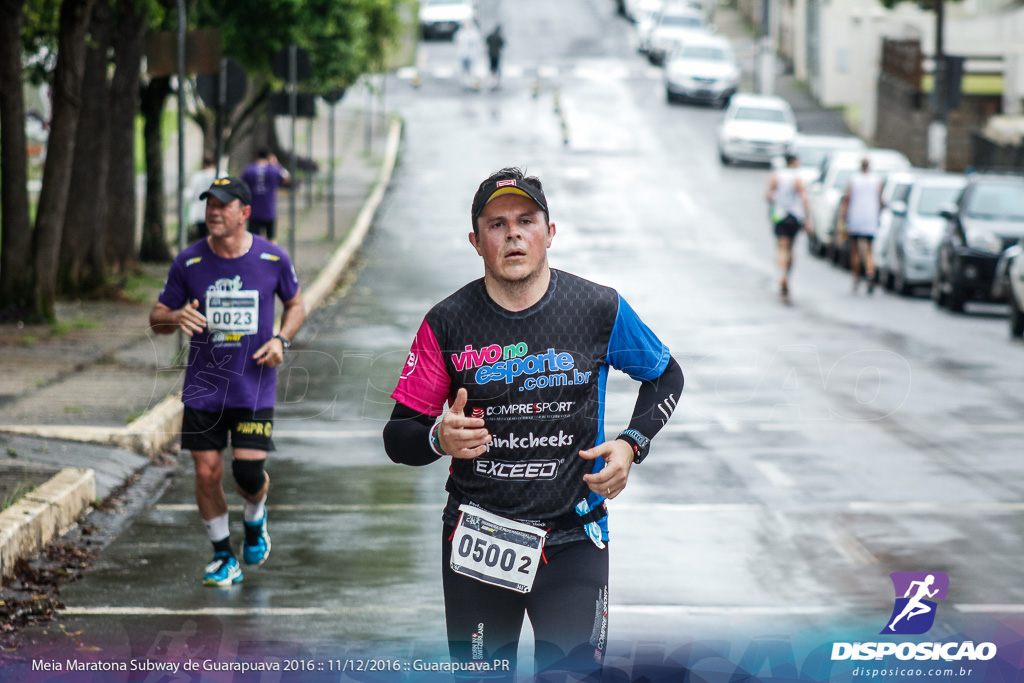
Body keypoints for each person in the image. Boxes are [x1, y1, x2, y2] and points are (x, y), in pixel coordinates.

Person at [382, 167, 684, 680]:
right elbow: (398, 437)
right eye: (497, 224)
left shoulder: (597, 308)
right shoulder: (447, 321)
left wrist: (632, 444)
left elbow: (666, 376)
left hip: (573, 540)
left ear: (550, 232)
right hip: (479, 540)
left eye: (526, 220)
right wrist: (438, 437)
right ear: (476, 242)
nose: (514, 233)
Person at [149, 176, 305, 587]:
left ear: (245, 213)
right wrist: (174, 316)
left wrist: (281, 339)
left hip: (253, 386)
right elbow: (157, 316)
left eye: (223, 205)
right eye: (209, 205)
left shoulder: (273, 259)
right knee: (206, 472)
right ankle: (223, 556)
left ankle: (255, 519)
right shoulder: (190, 261)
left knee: (249, 477)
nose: (213, 212)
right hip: (204, 387)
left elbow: (295, 304)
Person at [765, 153, 814, 299]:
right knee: (791, 248)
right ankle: (787, 275)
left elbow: (768, 195)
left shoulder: (776, 175)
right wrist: (808, 218)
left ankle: (781, 275)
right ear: (794, 162)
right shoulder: (797, 177)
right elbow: (804, 197)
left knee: (781, 247)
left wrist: (775, 204)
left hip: (779, 215)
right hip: (794, 216)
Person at [841, 157, 884, 293]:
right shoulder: (876, 180)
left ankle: (856, 277)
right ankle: (870, 273)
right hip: (870, 218)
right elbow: (881, 200)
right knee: (869, 250)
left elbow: (847, 199)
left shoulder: (854, 179)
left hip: (856, 218)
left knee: (855, 250)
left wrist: (844, 217)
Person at [241, 149, 291, 243]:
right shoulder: (274, 169)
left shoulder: (249, 170)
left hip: (253, 211)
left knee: (253, 240)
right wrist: (276, 164)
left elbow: (243, 184)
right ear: (268, 157)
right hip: (269, 210)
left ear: (256, 157)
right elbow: (286, 178)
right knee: (271, 239)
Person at [186, 154, 217, 241]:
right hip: (216, 213)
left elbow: (191, 194)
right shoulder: (222, 175)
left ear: (203, 164)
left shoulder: (197, 176)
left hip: (200, 212)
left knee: (202, 236)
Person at [456, 20, 482, 90]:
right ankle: (466, 84)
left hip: (472, 55)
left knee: (473, 71)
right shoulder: (461, 34)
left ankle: (474, 84)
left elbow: (477, 43)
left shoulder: (474, 34)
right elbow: (457, 40)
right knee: (464, 71)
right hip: (463, 54)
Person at [485, 25, 505, 89]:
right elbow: (502, 45)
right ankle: (496, 83)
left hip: (491, 54)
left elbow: (486, 41)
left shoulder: (491, 36)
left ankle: (492, 82)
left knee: (492, 69)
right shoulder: (499, 37)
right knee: (496, 69)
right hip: (496, 54)